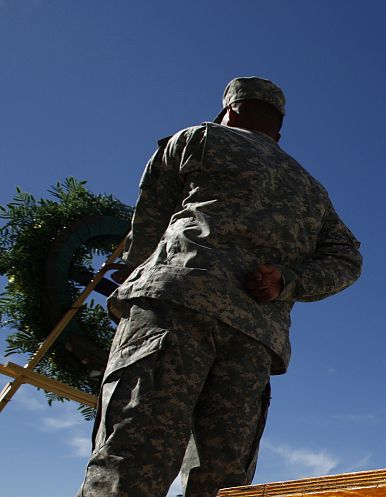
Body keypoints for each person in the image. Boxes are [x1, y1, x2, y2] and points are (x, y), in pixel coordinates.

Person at [77, 77, 362, 497]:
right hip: (253, 337)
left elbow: (152, 214)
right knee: (223, 480)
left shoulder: (199, 138)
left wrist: (136, 275)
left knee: (132, 458)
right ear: (278, 129)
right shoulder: (312, 190)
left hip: (174, 307)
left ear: (228, 110)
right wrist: (287, 280)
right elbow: (348, 260)